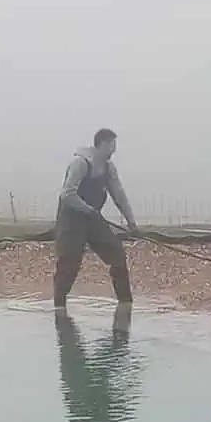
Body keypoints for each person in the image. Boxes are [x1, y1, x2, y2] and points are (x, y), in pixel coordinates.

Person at [53, 128, 137, 309]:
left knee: (117, 256)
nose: (114, 150)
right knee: (69, 263)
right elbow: (67, 195)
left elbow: (118, 194)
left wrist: (131, 222)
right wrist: (88, 210)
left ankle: (126, 304)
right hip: (71, 220)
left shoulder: (108, 168)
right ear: (103, 144)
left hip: (93, 219)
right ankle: (59, 308)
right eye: (112, 146)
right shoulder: (80, 163)